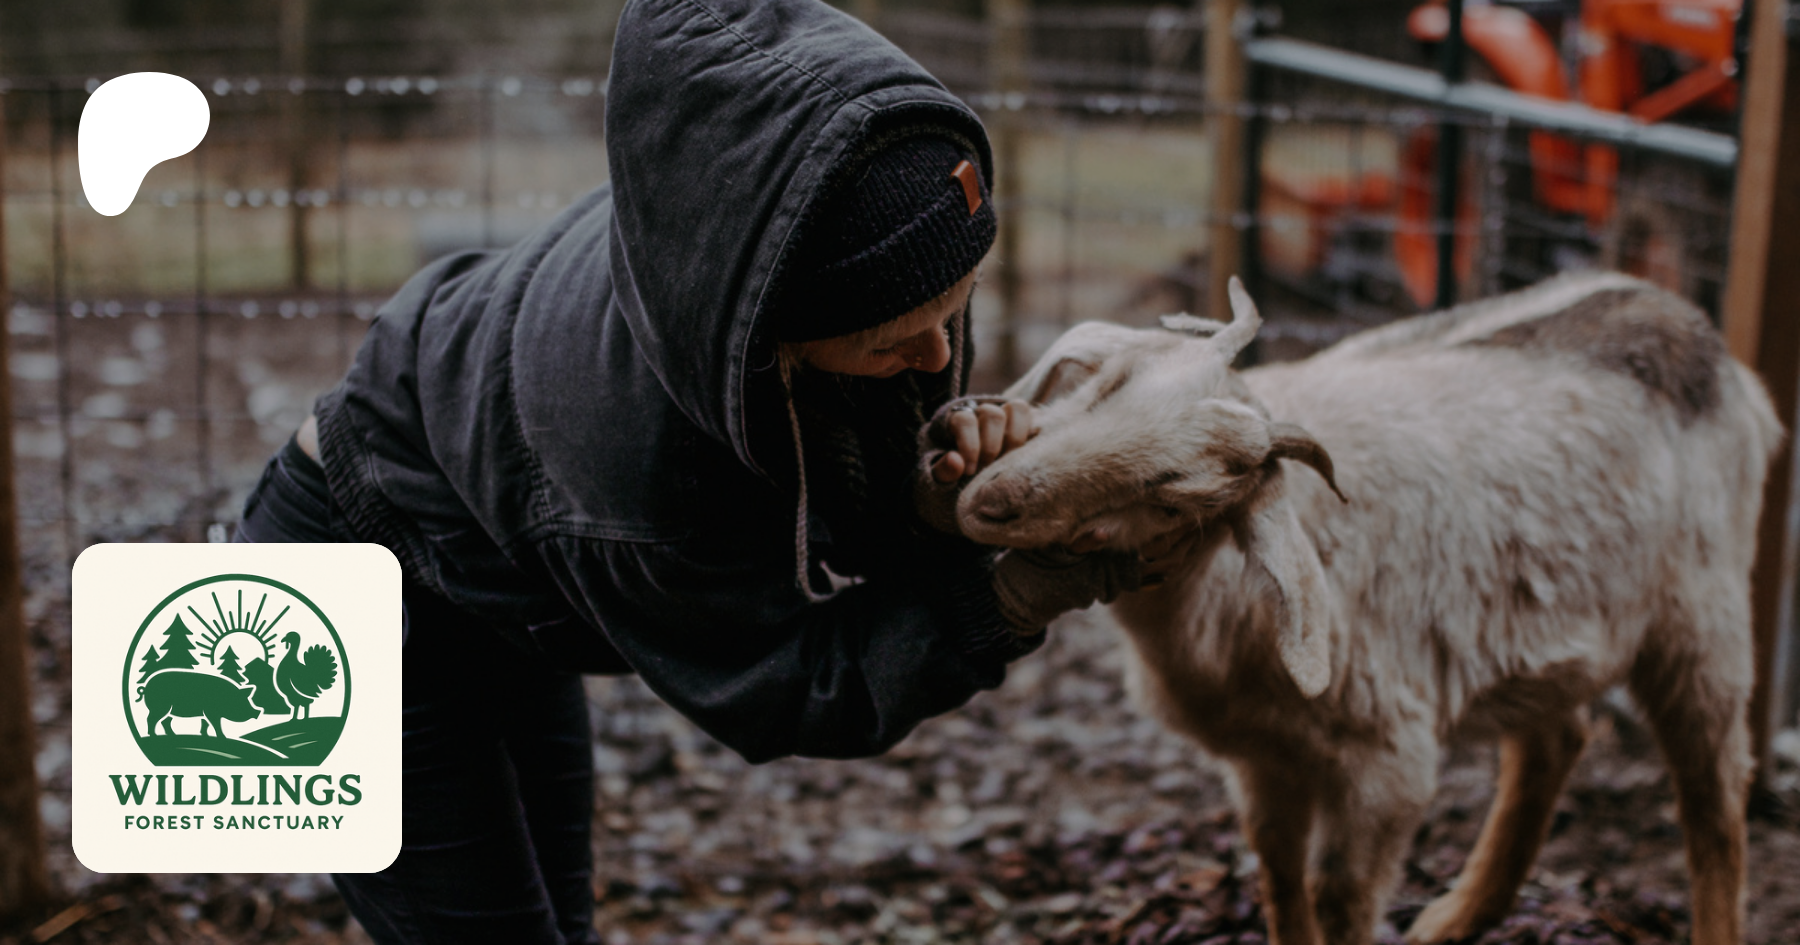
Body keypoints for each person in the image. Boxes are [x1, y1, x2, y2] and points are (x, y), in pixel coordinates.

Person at [233, 1, 1141, 942]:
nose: (936, 357)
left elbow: (853, 488)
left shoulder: (741, 227)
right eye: (892, 343)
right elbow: (795, 683)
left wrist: (939, 490)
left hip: (480, 560)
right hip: (338, 587)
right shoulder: (646, 477)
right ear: (772, 330)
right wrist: (1019, 592)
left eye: (954, 308)